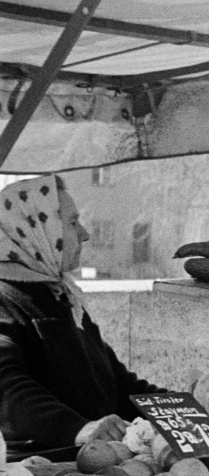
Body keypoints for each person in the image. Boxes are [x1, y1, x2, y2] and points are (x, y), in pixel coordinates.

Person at [0, 175, 162, 459]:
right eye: (73, 223)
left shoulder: (63, 295)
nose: (85, 234)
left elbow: (118, 384)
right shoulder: (4, 298)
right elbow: (8, 390)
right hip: (38, 466)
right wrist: (79, 429)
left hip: (97, 458)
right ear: (35, 229)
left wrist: (185, 409)